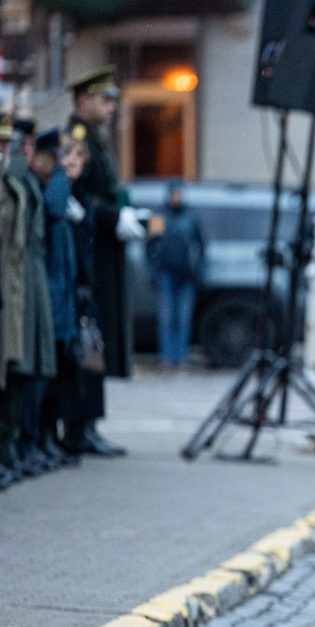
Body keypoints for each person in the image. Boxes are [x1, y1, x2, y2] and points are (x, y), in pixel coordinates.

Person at [64, 66, 138, 456]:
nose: (111, 107)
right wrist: (114, 218)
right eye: (103, 99)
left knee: (96, 339)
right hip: (86, 252)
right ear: (82, 101)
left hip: (100, 251)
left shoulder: (96, 139)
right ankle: (79, 427)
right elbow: (75, 194)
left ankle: (88, 424)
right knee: (87, 337)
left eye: (112, 100)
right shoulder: (77, 139)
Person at [8, 125, 58, 475]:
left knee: (32, 366)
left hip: (29, 277)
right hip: (17, 278)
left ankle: (22, 445)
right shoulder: (16, 179)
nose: (27, 152)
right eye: (20, 145)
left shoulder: (23, 182)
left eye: (29, 145)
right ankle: (14, 446)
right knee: (17, 367)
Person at [35, 128, 82, 468]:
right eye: (59, 158)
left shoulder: (59, 186)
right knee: (42, 373)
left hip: (61, 293)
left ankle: (47, 438)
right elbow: (53, 209)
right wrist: (62, 174)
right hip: (49, 294)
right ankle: (36, 439)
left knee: (55, 373)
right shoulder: (50, 187)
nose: (63, 164)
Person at [146, 179, 204, 368]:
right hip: (165, 274)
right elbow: (150, 246)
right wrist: (153, 272)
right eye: (174, 194)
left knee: (183, 318)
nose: (176, 197)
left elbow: (202, 247)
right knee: (166, 318)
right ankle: (166, 356)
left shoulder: (192, 217)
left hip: (187, 275)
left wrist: (199, 271)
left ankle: (181, 357)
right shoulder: (158, 217)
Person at [0, 113, 29, 488]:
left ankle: (8, 451)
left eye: (8, 144)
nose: (5, 151)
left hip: (11, 290)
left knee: (10, 375)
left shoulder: (10, 182)